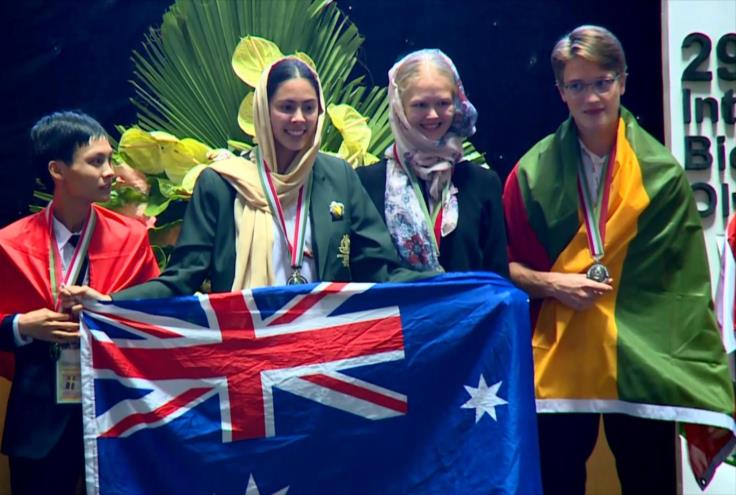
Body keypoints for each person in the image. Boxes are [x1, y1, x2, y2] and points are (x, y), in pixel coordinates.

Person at [502, 25, 734, 494]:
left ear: (623, 81)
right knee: (557, 482)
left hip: (641, 360)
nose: (592, 97)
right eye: (578, 85)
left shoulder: (661, 175)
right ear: (560, 92)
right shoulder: (531, 173)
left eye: (603, 82)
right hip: (559, 364)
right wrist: (553, 284)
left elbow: (683, 293)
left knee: (648, 480)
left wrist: (696, 400)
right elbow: (503, 270)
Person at [64, 56, 420, 306]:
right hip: (246, 351)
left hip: (325, 348)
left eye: (309, 108)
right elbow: (183, 279)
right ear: (264, 110)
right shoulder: (221, 183)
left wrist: (453, 285)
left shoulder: (338, 175)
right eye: (286, 107)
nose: (299, 119)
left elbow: (379, 267)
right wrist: (110, 303)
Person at [0, 111, 160, 495]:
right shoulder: (9, 244)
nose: (110, 171)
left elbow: (154, 318)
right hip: (38, 415)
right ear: (57, 170)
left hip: (118, 409)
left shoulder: (132, 238)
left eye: (109, 159)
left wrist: (107, 307)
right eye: (96, 162)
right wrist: (24, 327)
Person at [357, 49, 508, 277]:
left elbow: (498, 279)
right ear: (399, 107)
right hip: (399, 313)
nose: (433, 115)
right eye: (420, 105)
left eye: (443, 103)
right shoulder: (366, 184)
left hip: (471, 313)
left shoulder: (482, 183)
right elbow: (364, 273)